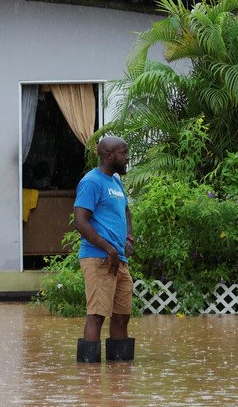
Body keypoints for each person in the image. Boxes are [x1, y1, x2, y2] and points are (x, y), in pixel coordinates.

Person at [73, 136, 135, 363]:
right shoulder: (92, 182)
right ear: (109, 156)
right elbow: (80, 221)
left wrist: (129, 236)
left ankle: (120, 377)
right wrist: (108, 248)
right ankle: (90, 380)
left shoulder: (116, 182)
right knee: (97, 315)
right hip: (98, 258)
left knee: (122, 316)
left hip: (118, 258)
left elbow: (126, 211)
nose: (127, 157)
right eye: (124, 152)